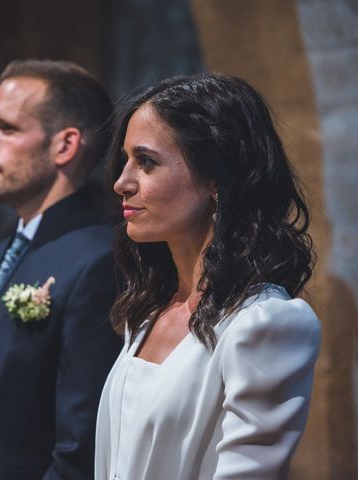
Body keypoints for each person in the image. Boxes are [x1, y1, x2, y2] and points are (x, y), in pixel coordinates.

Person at [95, 73, 321, 479]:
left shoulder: (267, 322)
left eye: (146, 162)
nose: (121, 182)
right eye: (126, 160)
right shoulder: (149, 312)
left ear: (216, 178)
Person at [0, 60, 122, 480]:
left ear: (65, 145)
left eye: (6, 128)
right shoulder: (7, 246)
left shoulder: (97, 258)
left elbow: (80, 440)